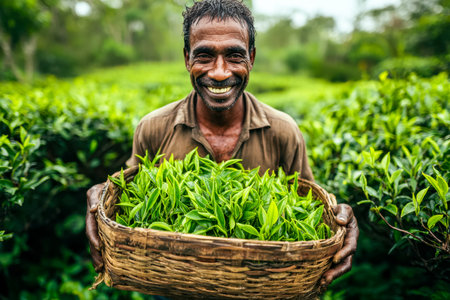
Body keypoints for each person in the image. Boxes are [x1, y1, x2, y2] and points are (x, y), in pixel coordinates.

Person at [86, 0, 358, 292]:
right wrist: (103, 201)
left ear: (251, 58)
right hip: (174, 289)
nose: (218, 72)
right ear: (187, 58)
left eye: (234, 55)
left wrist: (339, 222)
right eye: (204, 56)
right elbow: (131, 198)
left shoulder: (283, 132)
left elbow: (309, 209)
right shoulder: (154, 128)